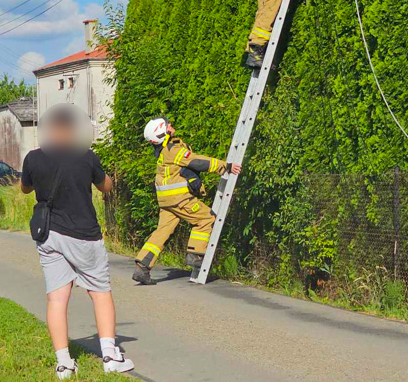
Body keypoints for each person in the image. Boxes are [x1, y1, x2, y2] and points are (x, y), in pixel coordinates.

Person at [21, 103, 134, 379]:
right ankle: (109, 356)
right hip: (84, 235)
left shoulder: (33, 158)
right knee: (99, 292)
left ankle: (64, 364)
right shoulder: (86, 156)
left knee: (57, 299)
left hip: (48, 236)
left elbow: (25, 188)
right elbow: (105, 186)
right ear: (72, 129)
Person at [132, 117, 242, 285]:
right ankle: (195, 254)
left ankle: (142, 266)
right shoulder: (173, 149)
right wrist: (224, 166)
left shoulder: (164, 152)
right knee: (206, 219)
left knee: (162, 231)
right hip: (179, 199)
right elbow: (197, 161)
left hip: (166, 201)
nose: (171, 125)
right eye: (168, 124)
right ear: (164, 131)